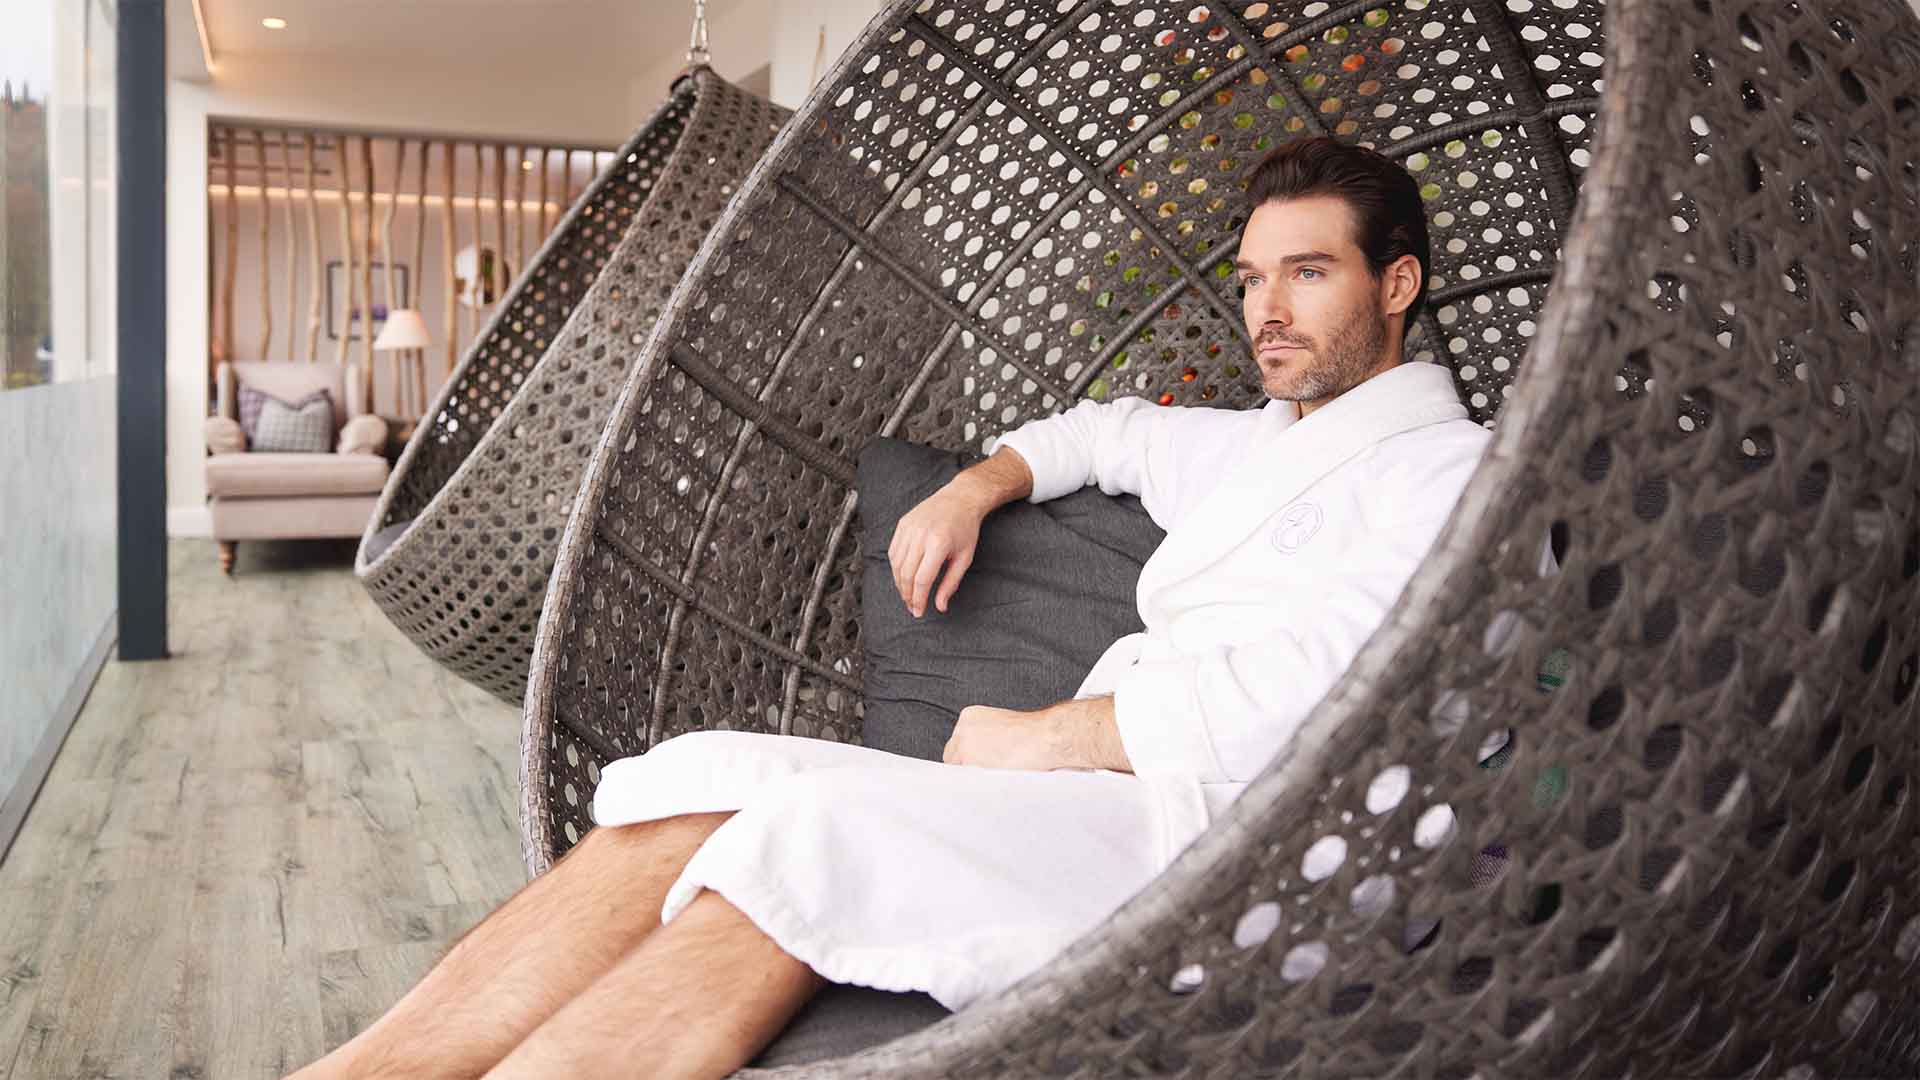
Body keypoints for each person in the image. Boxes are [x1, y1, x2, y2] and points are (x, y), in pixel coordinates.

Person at [287, 135, 1489, 1080]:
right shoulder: (1261, 443)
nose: (1266, 309)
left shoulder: (1454, 474)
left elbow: (1346, 698)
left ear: (1399, 283)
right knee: (706, 779)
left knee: (821, 839)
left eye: (1308, 273)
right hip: (1093, 794)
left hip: (1237, 840)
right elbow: (1101, 432)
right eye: (1252, 279)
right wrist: (975, 487)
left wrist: (1052, 734)